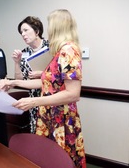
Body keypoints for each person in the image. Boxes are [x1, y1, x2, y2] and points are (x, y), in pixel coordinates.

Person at [6, 9, 86, 168]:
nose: (48, 29)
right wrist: (14, 83)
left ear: (58, 27)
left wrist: (34, 101)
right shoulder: (60, 51)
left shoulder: (68, 50)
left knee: (60, 159)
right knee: (48, 157)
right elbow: (47, 83)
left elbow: (73, 94)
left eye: (50, 25)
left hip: (61, 117)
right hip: (49, 114)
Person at [12, 16, 49, 133]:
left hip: (52, 98)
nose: (23, 34)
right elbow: (19, 80)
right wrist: (17, 63)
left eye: (26, 30)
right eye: (21, 32)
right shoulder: (24, 53)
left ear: (37, 31)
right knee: (37, 133)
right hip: (33, 99)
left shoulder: (51, 47)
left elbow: (61, 74)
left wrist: (42, 73)